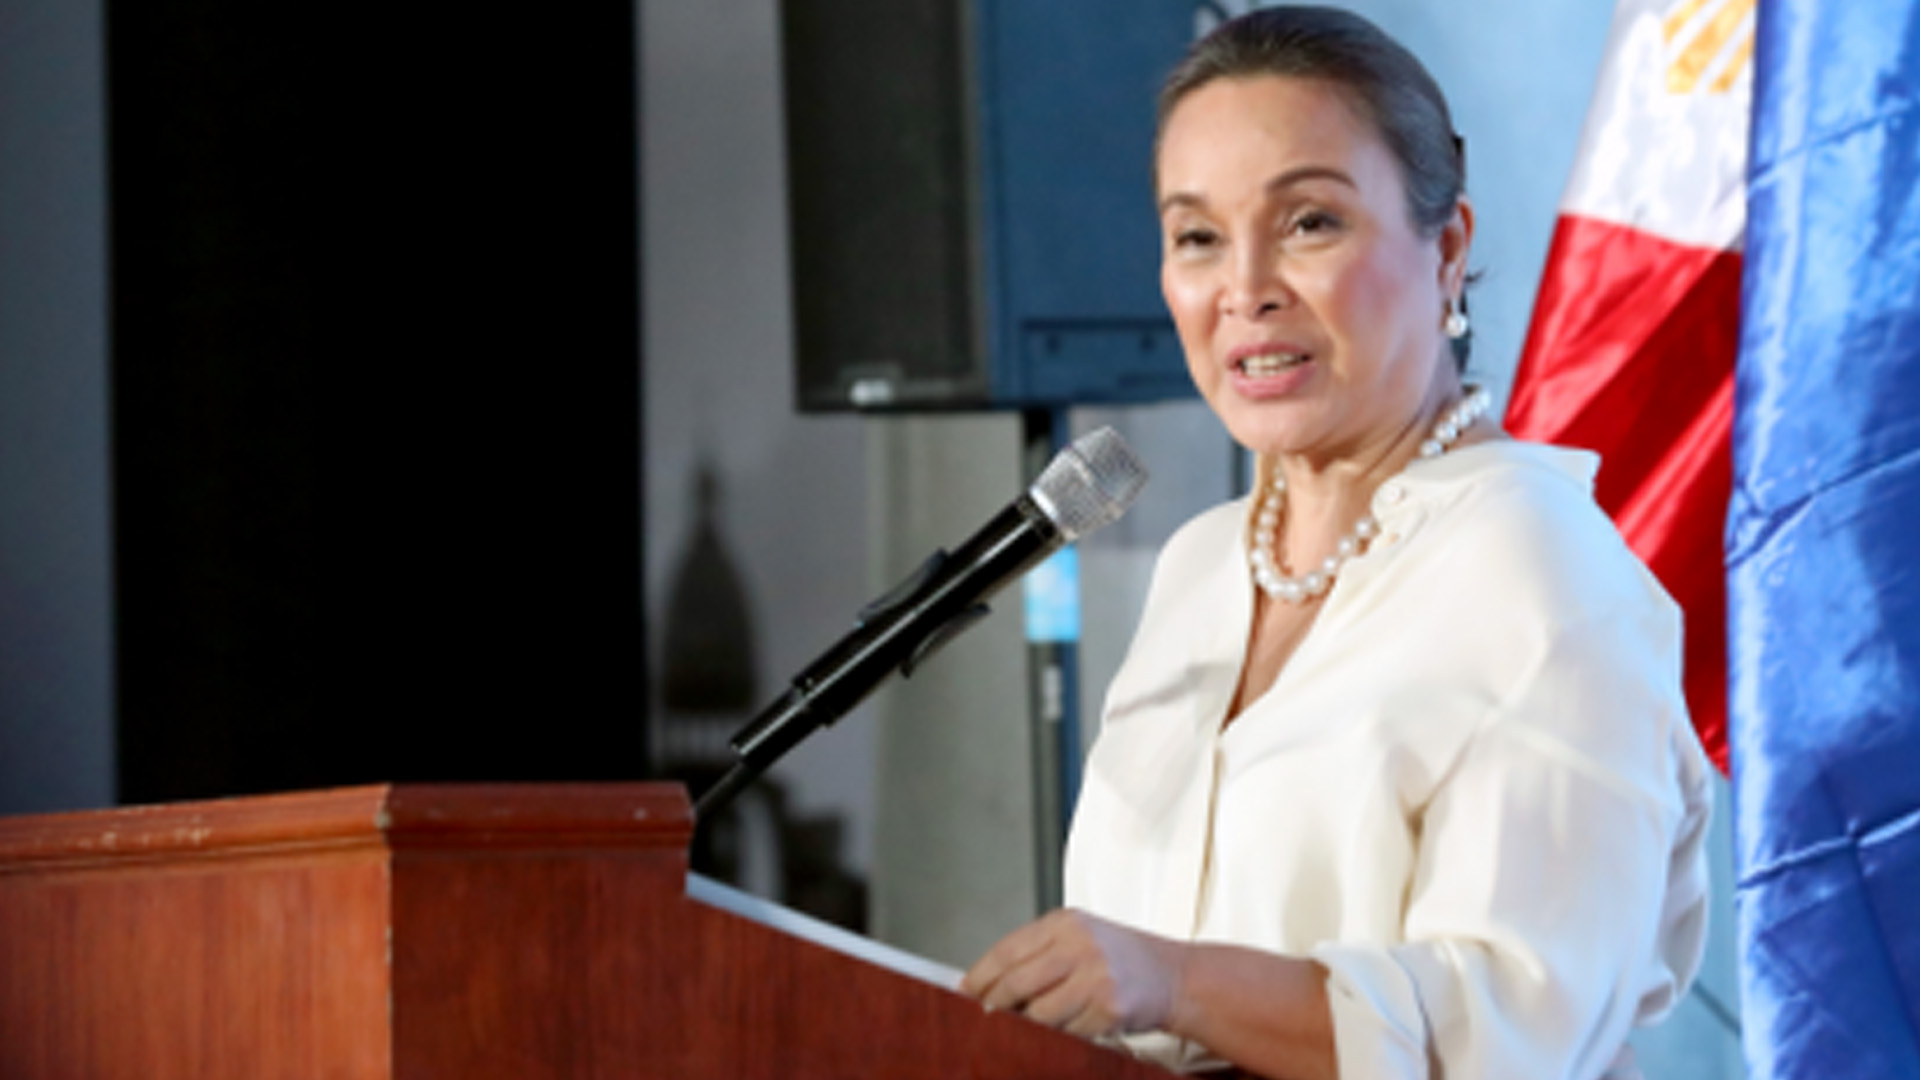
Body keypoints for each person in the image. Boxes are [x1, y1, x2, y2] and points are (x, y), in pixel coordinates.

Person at [959, 8, 1713, 1079]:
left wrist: (1174, 982)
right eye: (1198, 237)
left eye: (1309, 222)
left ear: (1447, 249)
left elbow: (1516, 1033)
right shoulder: (1202, 566)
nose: (1245, 289)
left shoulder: (1546, 577)